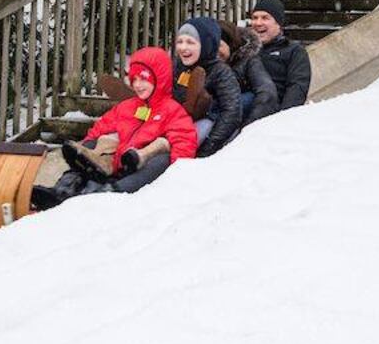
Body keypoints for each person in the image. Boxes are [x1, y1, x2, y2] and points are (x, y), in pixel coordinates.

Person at [32, 47, 196, 208]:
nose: (138, 85)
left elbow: (184, 139)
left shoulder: (172, 110)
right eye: (134, 79)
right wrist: (88, 146)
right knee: (87, 147)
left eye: (144, 79)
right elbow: (102, 127)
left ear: (159, 78)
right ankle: (63, 189)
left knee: (162, 160)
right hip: (111, 164)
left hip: (139, 170)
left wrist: (178, 177)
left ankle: (109, 193)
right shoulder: (127, 107)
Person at [173, 16, 242, 156]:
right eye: (180, 41)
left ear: (206, 45)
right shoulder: (178, 66)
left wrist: (208, 148)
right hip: (175, 124)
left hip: (202, 129)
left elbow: (232, 112)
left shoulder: (220, 71)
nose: (183, 47)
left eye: (190, 42)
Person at [248, 0, 311, 110]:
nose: (258, 23)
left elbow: (297, 88)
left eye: (265, 18)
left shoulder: (294, 51)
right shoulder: (245, 50)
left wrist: (280, 118)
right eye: (254, 18)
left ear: (278, 24)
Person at [218, 19, 277, 126]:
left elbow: (267, 93)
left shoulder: (249, 61)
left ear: (230, 45)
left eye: (218, 46)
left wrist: (248, 126)